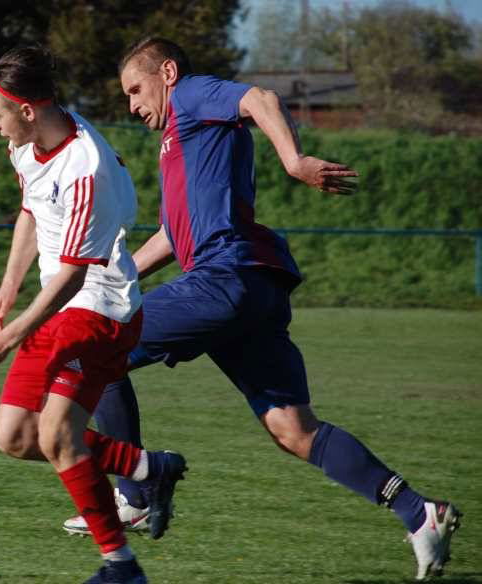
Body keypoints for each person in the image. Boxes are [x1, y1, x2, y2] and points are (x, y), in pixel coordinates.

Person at [64, 37, 462, 581]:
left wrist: (294, 161)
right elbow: (170, 236)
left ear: (169, 72)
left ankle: (134, 490)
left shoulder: (192, 95)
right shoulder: (180, 140)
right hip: (251, 288)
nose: (132, 104)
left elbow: (261, 98)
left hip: (225, 277)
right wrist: (109, 275)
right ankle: (419, 513)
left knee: (93, 350)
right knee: (293, 429)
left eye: (136, 89)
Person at [0, 46, 187, 584]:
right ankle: (147, 481)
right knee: (26, 439)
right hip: (70, 307)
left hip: (99, 312)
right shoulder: (28, 145)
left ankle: (123, 552)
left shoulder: (87, 168)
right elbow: (32, 209)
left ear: (28, 111)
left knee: (42, 435)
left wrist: (9, 337)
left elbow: (74, 274)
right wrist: (8, 284)